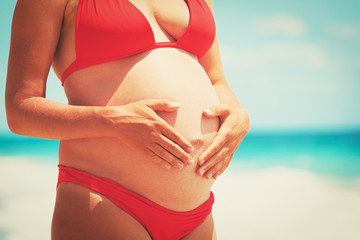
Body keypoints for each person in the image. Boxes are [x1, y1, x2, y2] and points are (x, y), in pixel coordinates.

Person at [5, 0, 249, 239]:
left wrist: (240, 116)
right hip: (106, 199)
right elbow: (20, 111)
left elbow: (218, 82)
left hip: (198, 213)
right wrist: (113, 121)